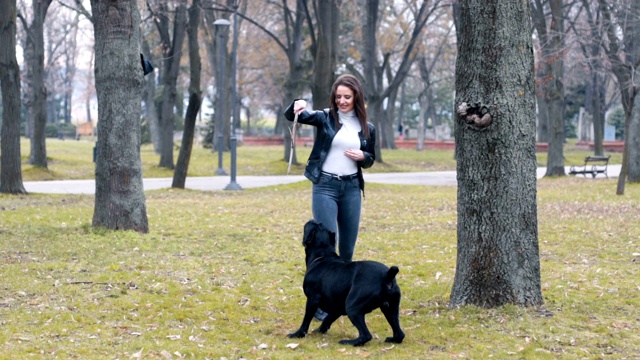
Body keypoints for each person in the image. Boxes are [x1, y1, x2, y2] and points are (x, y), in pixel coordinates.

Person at [284, 74, 376, 263]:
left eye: (347, 97)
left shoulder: (368, 128)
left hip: (351, 189)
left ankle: (342, 288)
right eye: (338, 97)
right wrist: (298, 103)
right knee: (326, 246)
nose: (342, 101)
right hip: (325, 187)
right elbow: (292, 115)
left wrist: (363, 156)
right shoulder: (325, 118)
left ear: (356, 97)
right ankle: (326, 288)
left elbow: (370, 159)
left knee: (347, 250)